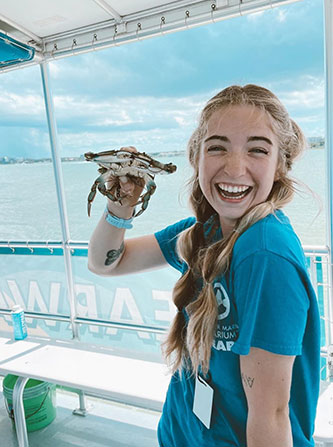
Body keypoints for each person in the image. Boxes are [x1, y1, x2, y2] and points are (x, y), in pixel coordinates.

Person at [88, 84, 320, 447]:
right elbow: (107, 264)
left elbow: (271, 415)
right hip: (181, 432)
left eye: (257, 150)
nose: (234, 167)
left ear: (280, 166)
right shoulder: (203, 231)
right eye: (217, 147)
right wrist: (121, 204)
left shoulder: (266, 255)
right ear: (197, 158)